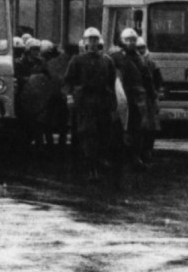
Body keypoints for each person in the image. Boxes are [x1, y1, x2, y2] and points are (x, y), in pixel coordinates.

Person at [65, 27, 121, 182]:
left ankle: (99, 162)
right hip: (85, 103)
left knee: (104, 134)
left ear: (99, 42)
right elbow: (68, 81)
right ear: (84, 42)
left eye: (95, 39)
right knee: (88, 135)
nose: (93, 42)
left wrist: (113, 101)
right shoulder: (77, 60)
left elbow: (111, 82)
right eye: (90, 39)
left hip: (102, 102)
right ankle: (91, 168)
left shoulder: (107, 60)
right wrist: (70, 97)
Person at [112, 29, 152, 169]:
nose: (131, 42)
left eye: (133, 40)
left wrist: (151, 96)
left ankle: (136, 157)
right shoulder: (115, 57)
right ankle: (119, 157)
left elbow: (147, 79)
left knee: (138, 128)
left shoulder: (140, 58)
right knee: (120, 127)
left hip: (137, 98)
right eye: (128, 39)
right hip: (121, 97)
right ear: (122, 40)